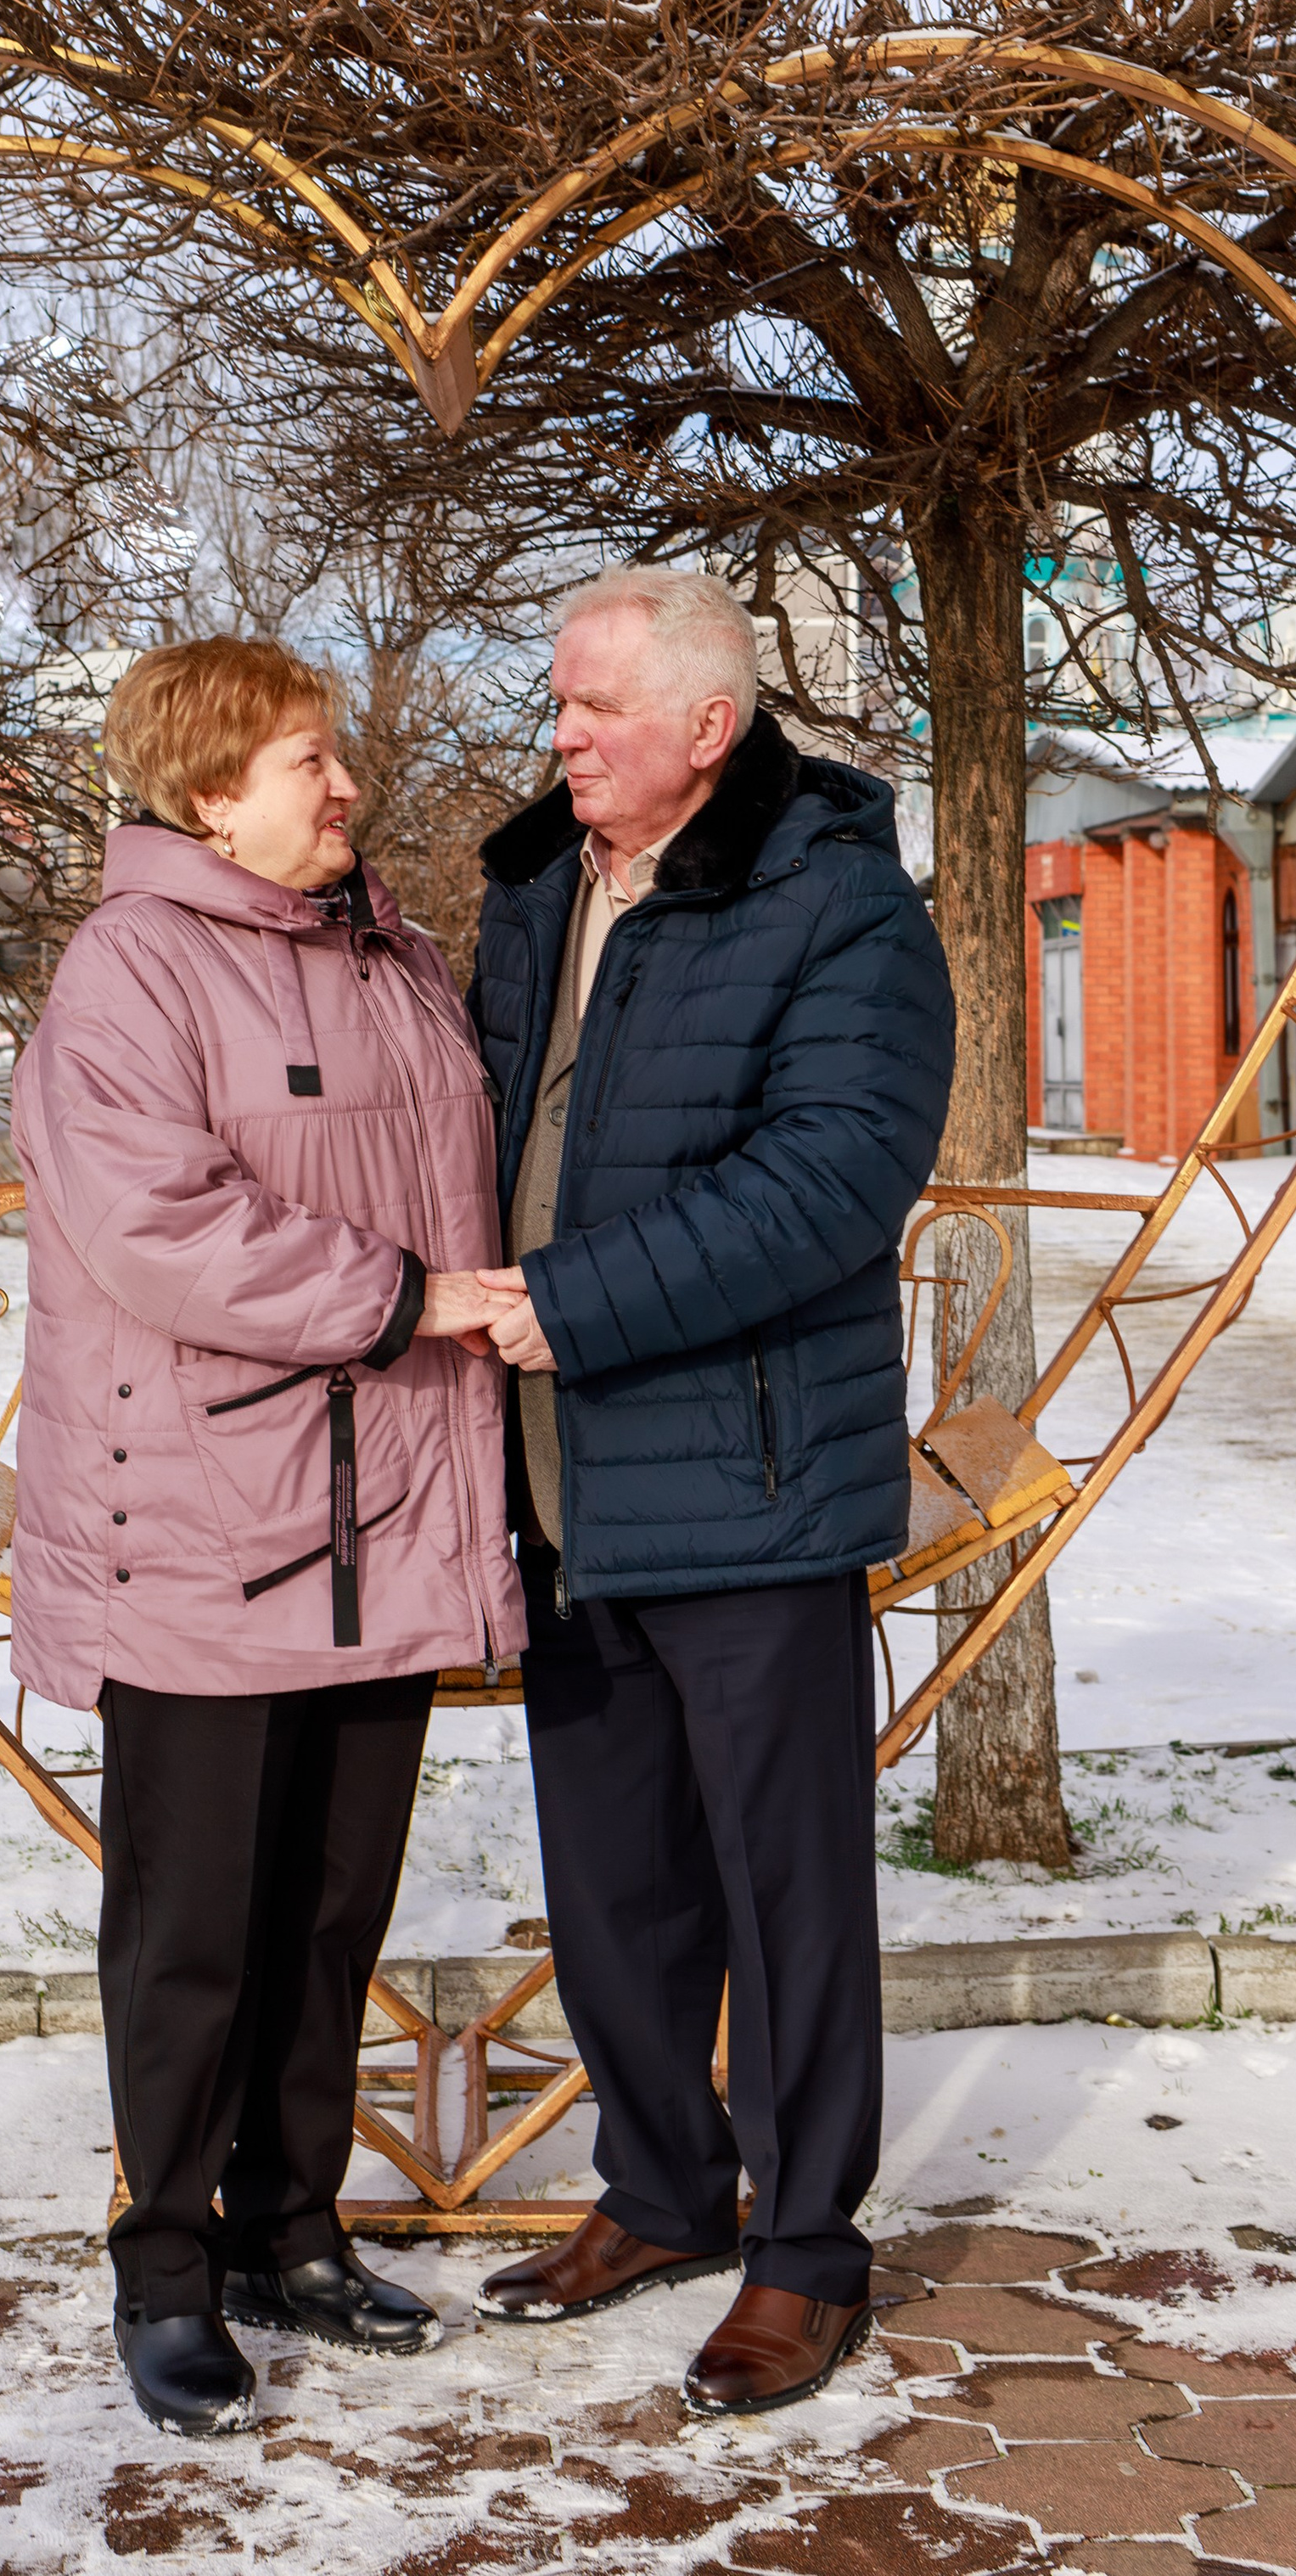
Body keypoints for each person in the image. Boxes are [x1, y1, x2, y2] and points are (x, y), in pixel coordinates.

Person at [8, 635, 524, 2440]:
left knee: (325, 1908)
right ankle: (162, 2267)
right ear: (210, 791)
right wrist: (411, 1300)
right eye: (313, 760)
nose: (349, 788)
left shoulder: (383, 951)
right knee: (191, 1931)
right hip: (204, 1525)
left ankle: (287, 2230)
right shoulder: (131, 971)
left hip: (382, 1502)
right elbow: (163, 1225)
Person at [461, 569, 954, 2416]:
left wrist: (560, 1305)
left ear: (706, 728)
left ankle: (806, 2254)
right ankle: (660, 2191)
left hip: (747, 1485)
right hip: (558, 1485)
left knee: (785, 1891)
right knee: (612, 1889)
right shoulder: (535, 893)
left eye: (593, 707)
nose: (562, 733)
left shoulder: (835, 900)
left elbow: (833, 1177)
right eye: (561, 703)